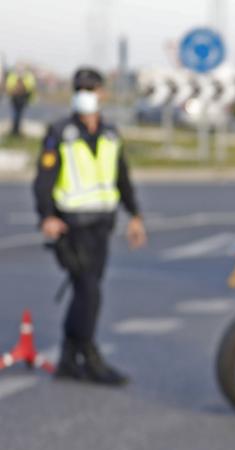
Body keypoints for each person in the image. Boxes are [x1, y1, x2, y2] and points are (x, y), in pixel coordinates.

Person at [34, 67, 146, 385]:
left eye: (91, 88)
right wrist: (46, 216)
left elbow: (122, 178)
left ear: (102, 94)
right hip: (71, 228)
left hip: (101, 226)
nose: (86, 94)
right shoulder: (60, 133)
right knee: (89, 292)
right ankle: (91, 356)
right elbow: (43, 180)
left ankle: (69, 359)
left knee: (86, 292)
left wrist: (135, 216)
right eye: (80, 88)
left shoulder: (110, 134)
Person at [6, 64, 36, 137]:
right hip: (15, 99)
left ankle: (16, 131)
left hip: (23, 99)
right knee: (16, 115)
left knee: (18, 115)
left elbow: (31, 87)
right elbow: (9, 87)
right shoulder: (13, 76)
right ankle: (15, 131)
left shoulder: (28, 76)